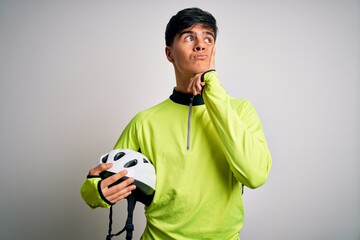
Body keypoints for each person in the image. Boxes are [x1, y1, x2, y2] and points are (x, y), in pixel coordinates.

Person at [81, 7, 272, 240]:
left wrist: (212, 85)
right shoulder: (145, 122)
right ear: (169, 53)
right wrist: (95, 190)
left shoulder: (241, 110)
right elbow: (96, 187)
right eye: (189, 37)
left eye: (208, 38)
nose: (200, 45)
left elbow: (255, 176)